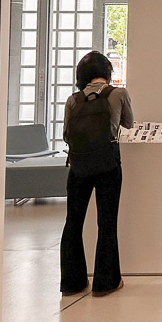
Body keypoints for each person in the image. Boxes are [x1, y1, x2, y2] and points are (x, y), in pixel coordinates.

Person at [59, 51, 134, 298]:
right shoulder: (118, 94)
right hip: (107, 166)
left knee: (73, 223)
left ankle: (72, 282)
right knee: (106, 222)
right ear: (107, 73)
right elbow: (129, 124)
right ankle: (106, 282)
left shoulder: (73, 99)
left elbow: (66, 135)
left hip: (78, 167)